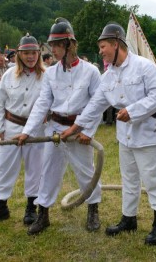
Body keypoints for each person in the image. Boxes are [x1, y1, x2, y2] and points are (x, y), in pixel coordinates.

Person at [60, 22, 156, 246]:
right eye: (100, 48)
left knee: (152, 179)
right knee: (128, 179)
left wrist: (133, 110)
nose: (100, 51)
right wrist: (73, 129)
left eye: (103, 46)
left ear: (117, 44)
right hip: (125, 136)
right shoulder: (108, 76)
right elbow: (94, 106)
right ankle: (129, 219)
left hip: (147, 132)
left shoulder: (144, 67)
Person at [14, 18, 102, 235]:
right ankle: (43, 214)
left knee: (85, 172)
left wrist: (88, 132)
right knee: (48, 171)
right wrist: (27, 132)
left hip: (79, 130)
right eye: (51, 45)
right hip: (54, 128)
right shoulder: (51, 73)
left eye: (56, 45)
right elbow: (42, 103)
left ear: (69, 44)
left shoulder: (91, 71)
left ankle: (93, 211)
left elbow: (97, 105)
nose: (51, 49)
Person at [0, 34, 45, 226]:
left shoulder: (47, 76)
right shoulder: (8, 75)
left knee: (35, 169)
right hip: (11, 127)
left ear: (39, 54)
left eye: (34, 53)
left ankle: (31, 209)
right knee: (5, 167)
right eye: (26, 53)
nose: (30, 57)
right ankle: (0, 208)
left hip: (36, 130)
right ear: (19, 54)